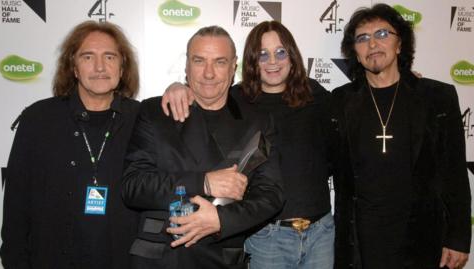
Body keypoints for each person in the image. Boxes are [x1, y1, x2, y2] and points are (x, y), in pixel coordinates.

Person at [161, 21, 334, 269]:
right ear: (251, 61)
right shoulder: (237, 100)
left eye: (280, 52)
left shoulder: (316, 96)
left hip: (321, 233)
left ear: (293, 56)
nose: (272, 61)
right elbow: (204, 92)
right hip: (266, 236)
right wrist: (177, 86)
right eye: (262, 54)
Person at [122, 25, 284, 269]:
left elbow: (271, 195)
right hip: (160, 259)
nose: (208, 73)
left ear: (233, 67)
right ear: (186, 65)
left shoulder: (256, 121)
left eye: (219, 62)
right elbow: (133, 187)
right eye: (199, 61)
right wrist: (203, 182)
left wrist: (220, 220)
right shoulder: (154, 111)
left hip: (221, 259)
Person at [331, 3, 471, 269]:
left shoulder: (437, 98)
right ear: (355, 52)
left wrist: (459, 237)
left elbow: (454, 173)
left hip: (422, 241)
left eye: (382, 34)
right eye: (362, 38)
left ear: (400, 44)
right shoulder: (340, 101)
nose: (372, 44)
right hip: (361, 244)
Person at [0, 20, 140, 269]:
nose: (99, 67)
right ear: (73, 67)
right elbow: (16, 206)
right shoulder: (38, 119)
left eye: (109, 56)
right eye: (88, 57)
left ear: (122, 67)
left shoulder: (142, 120)